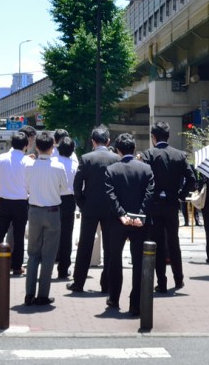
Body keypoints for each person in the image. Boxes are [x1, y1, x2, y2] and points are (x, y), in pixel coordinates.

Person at [102, 134, 155, 313]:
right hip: (140, 222)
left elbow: (110, 195)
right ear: (134, 148)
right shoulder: (146, 169)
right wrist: (139, 215)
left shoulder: (112, 170)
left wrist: (121, 214)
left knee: (114, 259)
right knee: (139, 262)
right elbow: (150, 194)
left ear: (118, 150)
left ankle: (114, 298)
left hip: (117, 222)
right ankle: (135, 303)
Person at [140, 121, 193, 292]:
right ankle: (179, 279)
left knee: (157, 243)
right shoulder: (179, 155)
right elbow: (192, 180)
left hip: (154, 205)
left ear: (153, 137)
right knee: (173, 242)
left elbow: (143, 180)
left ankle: (161, 282)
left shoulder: (148, 155)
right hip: (172, 203)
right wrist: (180, 194)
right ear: (168, 136)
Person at [22, 132, 69, 305]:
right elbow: (64, 189)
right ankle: (43, 294)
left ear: (37, 147)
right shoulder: (58, 167)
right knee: (48, 254)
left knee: (33, 253)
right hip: (53, 211)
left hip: (34, 211)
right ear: (52, 147)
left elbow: (25, 187)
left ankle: (29, 293)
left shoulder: (29, 166)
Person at [70, 126, 118, 293]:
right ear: (108, 141)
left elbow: (76, 185)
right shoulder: (116, 158)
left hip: (90, 207)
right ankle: (107, 283)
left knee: (85, 245)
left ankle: (78, 283)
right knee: (110, 246)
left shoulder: (86, 158)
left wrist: (82, 202)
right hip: (111, 208)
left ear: (92, 141)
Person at [0, 130, 31, 277]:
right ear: (25, 146)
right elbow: (30, 184)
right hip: (21, 202)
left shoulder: (1, 158)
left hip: (4, 202)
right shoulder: (28, 161)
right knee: (19, 236)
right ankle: (17, 267)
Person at [51, 130, 78, 280]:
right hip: (69, 200)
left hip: (54, 199)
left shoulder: (53, 163)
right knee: (67, 235)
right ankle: (63, 268)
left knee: (51, 234)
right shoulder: (75, 164)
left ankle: (48, 266)